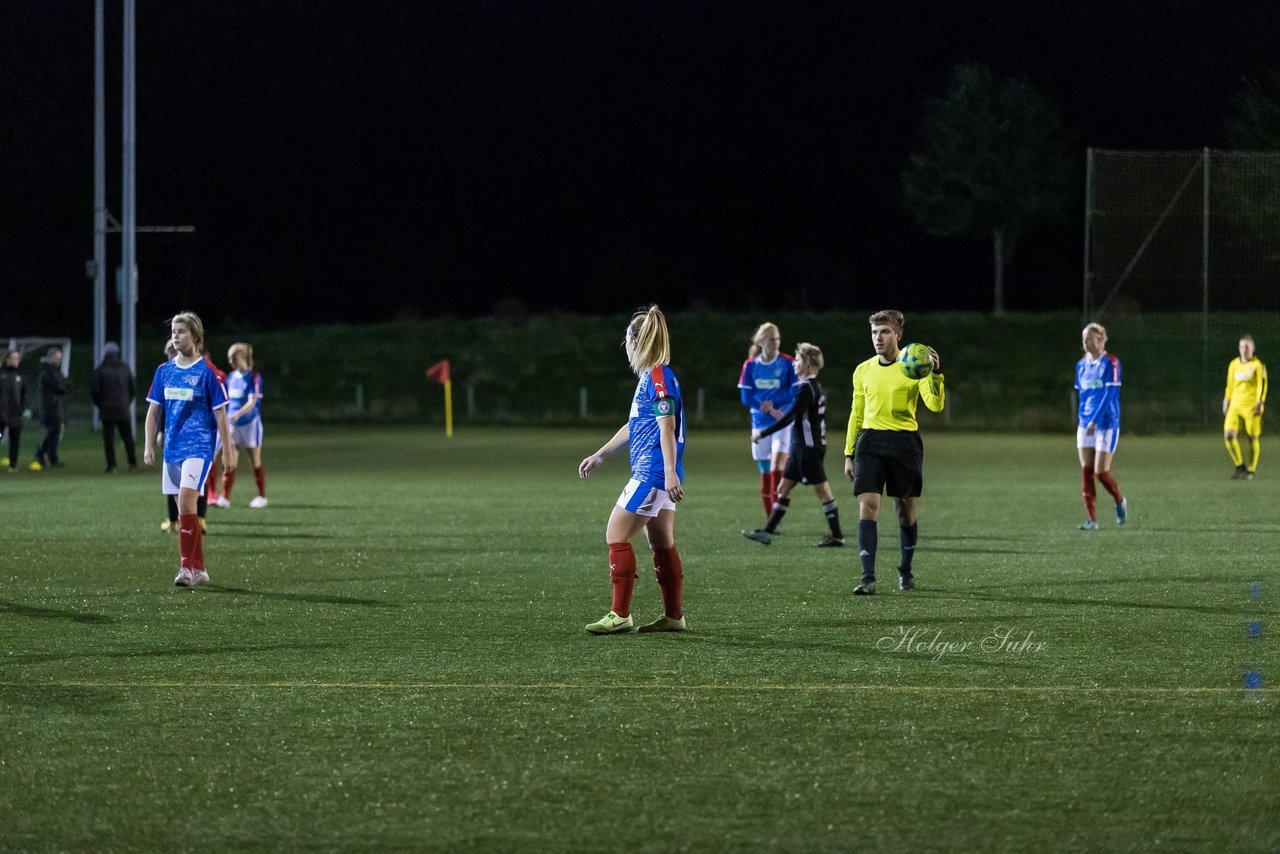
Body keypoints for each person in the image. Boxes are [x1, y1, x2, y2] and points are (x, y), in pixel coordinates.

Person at [578, 304, 687, 635]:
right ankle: (673, 617)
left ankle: (620, 614)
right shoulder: (651, 377)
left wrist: (668, 473)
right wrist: (601, 454)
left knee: (616, 533)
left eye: (627, 342)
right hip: (657, 471)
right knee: (661, 541)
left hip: (652, 473)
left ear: (635, 342)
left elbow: (666, 427)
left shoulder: (657, 377)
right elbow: (636, 425)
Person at [844, 310, 944, 595]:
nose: (878, 337)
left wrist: (936, 374)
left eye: (885, 332)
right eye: (875, 332)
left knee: (905, 509)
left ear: (898, 334)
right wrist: (849, 453)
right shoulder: (863, 370)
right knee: (868, 505)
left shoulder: (916, 366)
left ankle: (906, 570)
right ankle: (868, 577)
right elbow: (856, 413)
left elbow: (935, 406)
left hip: (904, 442)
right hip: (870, 443)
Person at [143, 312, 237, 587]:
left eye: (181, 331)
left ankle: (185, 568)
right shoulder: (164, 371)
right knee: (184, 509)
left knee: (186, 502)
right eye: (173, 330)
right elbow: (152, 412)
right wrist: (149, 444)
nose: (175, 335)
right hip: (172, 449)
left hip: (199, 448)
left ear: (195, 336)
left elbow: (221, 415)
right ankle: (200, 568)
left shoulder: (208, 372)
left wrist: (228, 451)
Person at [742, 342, 844, 547]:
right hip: (800, 447)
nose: (794, 363)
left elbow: (790, 417)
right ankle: (768, 531)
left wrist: (764, 433)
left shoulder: (807, 388)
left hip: (808, 449)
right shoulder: (812, 387)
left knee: (823, 491)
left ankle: (838, 536)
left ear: (807, 363)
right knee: (783, 487)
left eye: (798, 360)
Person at [738, 322, 797, 523]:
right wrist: (764, 406)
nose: (776, 343)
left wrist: (776, 406)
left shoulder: (788, 363)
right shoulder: (751, 365)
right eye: (772, 339)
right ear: (762, 341)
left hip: (782, 422)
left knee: (776, 466)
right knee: (765, 471)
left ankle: (775, 519)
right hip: (760, 422)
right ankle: (770, 517)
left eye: (778, 339)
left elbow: (794, 392)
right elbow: (746, 396)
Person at [1075, 322, 1127, 529]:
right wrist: (1083, 420)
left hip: (1106, 423)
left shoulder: (1111, 363)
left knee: (1100, 472)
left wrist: (1095, 420)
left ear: (1099, 339)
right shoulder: (1081, 365)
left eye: (1088, 338)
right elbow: (1082, 395)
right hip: (1085, 424)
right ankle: (1092, 520)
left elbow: (1109, 394)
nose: (1085, 343)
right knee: (1086, 471)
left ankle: (1119, 501)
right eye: (1083, 339)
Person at [219, 342, 268, 507]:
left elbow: (252, 402)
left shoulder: (254, 377)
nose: (231, 362)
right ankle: (225, 497)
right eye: (229, 359)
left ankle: (262, 496)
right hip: (233, 425)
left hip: (250, 424)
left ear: (243, 357)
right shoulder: (231, 377)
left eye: (234, 358)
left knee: (255, 460)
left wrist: (237, 414)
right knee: (230, 460)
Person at [1223, 334, 1268, 480]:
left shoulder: (1257, 365)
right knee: (1229, 435)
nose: (1244, 350)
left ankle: (1251, 469)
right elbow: (1230, 384)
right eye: (1241, 347)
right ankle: (1239, 466)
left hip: (1251, 406)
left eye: (1247, 347)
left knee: (1252, 437)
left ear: (1253, 348)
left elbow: (1262, 385)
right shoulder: (1234, 364)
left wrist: (1260, 402)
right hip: (1235, 405)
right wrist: (1226, 400)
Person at [91, 341, 138, 473]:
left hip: (106, 410)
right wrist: (126, 402)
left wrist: (100, 404)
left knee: (109, 439)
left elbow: (94, 391)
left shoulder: (100, 370)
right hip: (123, 408)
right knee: (127, 436)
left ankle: (112, 465)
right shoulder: (125, 368)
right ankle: (132, 462)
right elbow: (133, 389)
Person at [32, 347, 67, 470]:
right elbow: (60, 387)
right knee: (52, 432)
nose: (59, 360)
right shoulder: (47, 372)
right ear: (51, 358)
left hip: (54, 406)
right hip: (50, 407)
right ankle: (40, 454)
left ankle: (52, 457)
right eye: (57, 358)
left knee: (55, 432)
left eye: (60, 358)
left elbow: (63, 385)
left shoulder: (53, 370)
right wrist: (63, 383)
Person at [0, 349, 26, 473]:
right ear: (7, 359)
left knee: (15, 440)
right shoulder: (1, 374)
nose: (16, 360)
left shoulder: (19, 376)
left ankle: (13, 465)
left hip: (15, 414)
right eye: (14, 358)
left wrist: (21, 408)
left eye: (18, 358)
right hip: (1, 414)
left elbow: (23, 394)